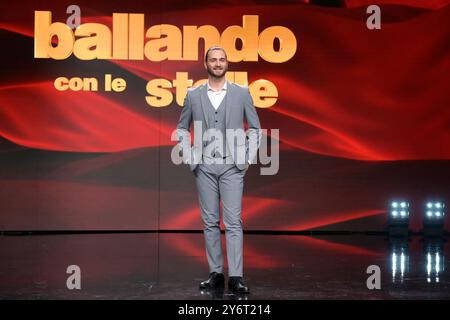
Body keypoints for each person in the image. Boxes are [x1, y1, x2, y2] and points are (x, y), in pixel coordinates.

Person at [176, 46, 261, 294]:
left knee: (233, 222)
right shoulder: (193, 95)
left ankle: (236, 276)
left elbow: (255, 128)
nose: (217, 63)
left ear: (227, 63)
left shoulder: (241, 93)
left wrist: (245, 157)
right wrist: (192, 157)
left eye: (221, 59)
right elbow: (182, 128)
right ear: (206, 64)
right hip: (204, 165)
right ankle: (215, 273)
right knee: (210, 221)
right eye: (213, 60)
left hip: (232, 165)